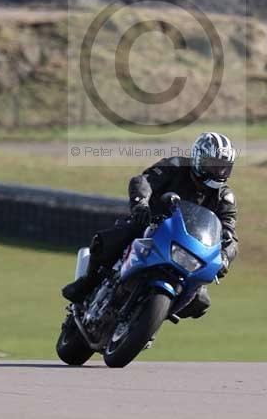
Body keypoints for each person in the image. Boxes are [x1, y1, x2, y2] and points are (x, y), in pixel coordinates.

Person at [62, 131, 238, 319]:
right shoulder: (176, 165)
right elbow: (143, 181)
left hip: (187, 248)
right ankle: (88, 281)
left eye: (224, 167)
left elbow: (230, 234)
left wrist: (225, 257)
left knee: (200, 301)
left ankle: (156, 312)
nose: (219, 172)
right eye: (213, 165)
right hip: (151, 226)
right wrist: (141, 204)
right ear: (198, 158)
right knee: (113, 238)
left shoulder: (224, 197)